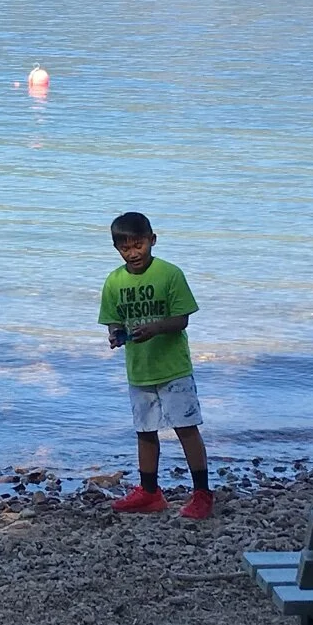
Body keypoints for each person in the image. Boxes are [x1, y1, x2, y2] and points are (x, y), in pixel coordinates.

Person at [98, 211, 213, 519]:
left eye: (139, 245)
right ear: (116, 248)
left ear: (153, 240)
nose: (133, 253)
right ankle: (150, 492)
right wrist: (115, 335)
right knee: (145, 431)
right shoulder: (114, 281)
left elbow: (182, 318)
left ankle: (202, 493)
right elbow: (113, 319)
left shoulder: (169, 274)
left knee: (186, 429)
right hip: (139, 370)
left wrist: (155, 328)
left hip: (173, 368)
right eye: (125, 247)